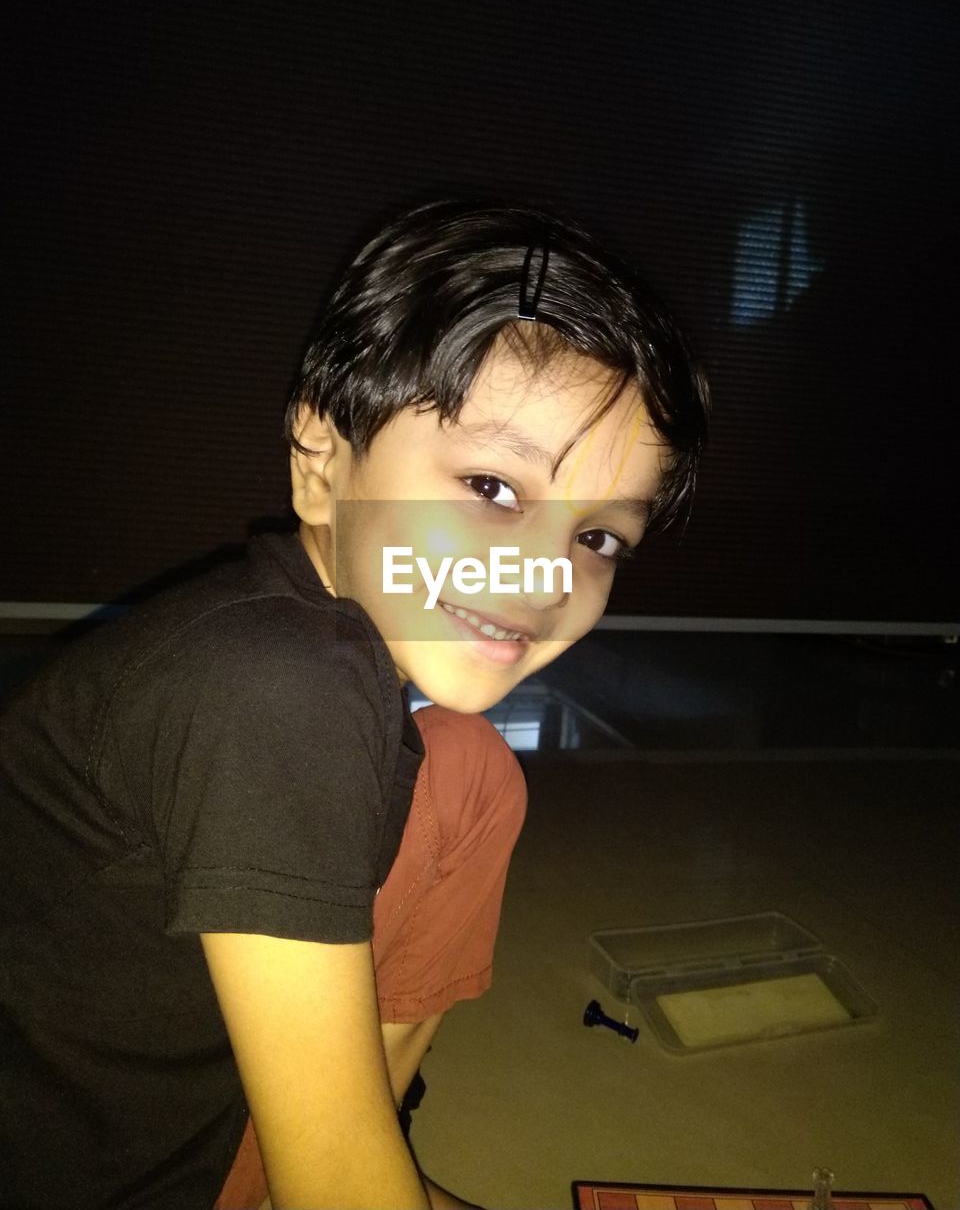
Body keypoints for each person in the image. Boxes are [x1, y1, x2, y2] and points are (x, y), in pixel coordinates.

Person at [0, 198, 709, 1209]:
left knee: (468, 771)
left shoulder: (319, 650)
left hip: (195, 1119)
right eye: (494, 488)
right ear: (321, 461)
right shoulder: (274, 682)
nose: (543, 571)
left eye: (599, 537)